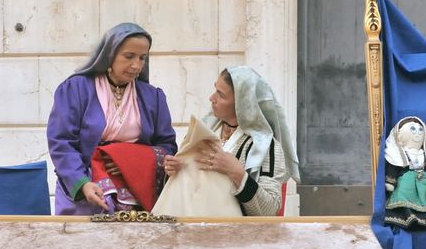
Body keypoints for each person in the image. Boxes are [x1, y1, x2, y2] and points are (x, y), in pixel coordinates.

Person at [47, 22, 177, 215]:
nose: (136, 65)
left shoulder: (153, 97)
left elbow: (167, 146)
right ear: (109, 55)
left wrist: (129, 161)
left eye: (142, 58)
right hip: (86, 190)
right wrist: (82, 184)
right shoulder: (76, 89)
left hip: (137, 194)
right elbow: (61, 142)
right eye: (129, 56)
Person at [163, 66, 300, 216]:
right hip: (193, 225)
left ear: (242, 104)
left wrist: (237, 173)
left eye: (221, 95)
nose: (212, 98)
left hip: (234, 230)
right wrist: (177, 170)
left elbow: (270, 210)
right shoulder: (202, 131)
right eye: (215, 89)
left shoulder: (266, 146)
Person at [383, 116, 426, 229]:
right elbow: (394, 166)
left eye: (420, 130)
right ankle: (409, 216)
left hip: (424, 180)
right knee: (405, 195)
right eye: (412, 130)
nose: (417, 134)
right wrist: (390, 182)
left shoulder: (425, 153)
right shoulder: (398, 154)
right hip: (406, 181)